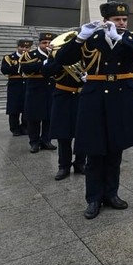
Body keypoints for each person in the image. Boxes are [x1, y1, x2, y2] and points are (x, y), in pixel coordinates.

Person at [55, 1, 133, 220]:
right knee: (95, 150)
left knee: (116, 148)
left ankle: (112, 193)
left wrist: (120, 38)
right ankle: (94, 198)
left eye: (124, 19)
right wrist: (79, 38)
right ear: (106, 20)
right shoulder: (91, 38)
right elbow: (61, 59)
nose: (122, 23)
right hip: (95, 97)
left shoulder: (132, 37)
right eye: (117, 20)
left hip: (121, 96)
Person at [44, 43, 85, 180]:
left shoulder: (85, 54)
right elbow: (46, 71)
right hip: (63, 97)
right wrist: (62, 61)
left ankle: (80, 163)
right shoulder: (56, 56)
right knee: (63, 134)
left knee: (82, 132)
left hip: (82, 96)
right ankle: (64, 166)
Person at [19, 32, 57, 153]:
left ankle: (46, 140)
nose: (47, 45)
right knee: (33, 118)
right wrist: (44, 63)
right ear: (39, 44)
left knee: (49, 117)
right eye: (44, 43)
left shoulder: (57, 55)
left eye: (49, 43)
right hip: (35, 89)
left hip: (51, 88)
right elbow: (26, 68)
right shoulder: (30, 55)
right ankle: (34, 142)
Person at [1, 38, 31, 136]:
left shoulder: (32, 57)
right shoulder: (9, 57)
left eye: (27, 47)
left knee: (27, 107)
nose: (24, 49)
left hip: (27, 84)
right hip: (15, 85)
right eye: (22, 47)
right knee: (14, 108)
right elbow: (5, 69)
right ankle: (15, 128)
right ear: (17, 47)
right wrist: (19, 66)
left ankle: (25, 127)